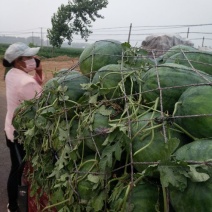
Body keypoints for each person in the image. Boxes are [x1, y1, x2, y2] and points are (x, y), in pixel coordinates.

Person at [3, 42, 43, 212]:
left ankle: (13, 203)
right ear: (18, 61)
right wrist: (39, 77)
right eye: (29, 57)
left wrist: (38, 74)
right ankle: (13, 206)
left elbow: (28, 90)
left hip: (10, 129)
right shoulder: (26, 82)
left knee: (16, 167)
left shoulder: (11, 74)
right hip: (21, 134)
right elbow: (42, 106)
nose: (34, 60)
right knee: (17, 171)